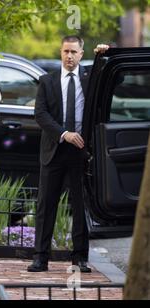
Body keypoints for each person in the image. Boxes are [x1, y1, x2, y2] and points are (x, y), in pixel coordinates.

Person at [27, 36, 109, 273]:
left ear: (81, 54)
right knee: (46, 205)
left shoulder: (89, 78)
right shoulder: (47, 80)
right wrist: (64, 134)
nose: (69, 56)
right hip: (54, 149)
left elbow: (111, 77)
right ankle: (40, 258)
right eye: (65, 51)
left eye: (74, 52)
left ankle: (80, 258)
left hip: (81, 151)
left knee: (80, 205)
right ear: (61, 52)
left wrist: (103, 54)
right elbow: (40, 115)